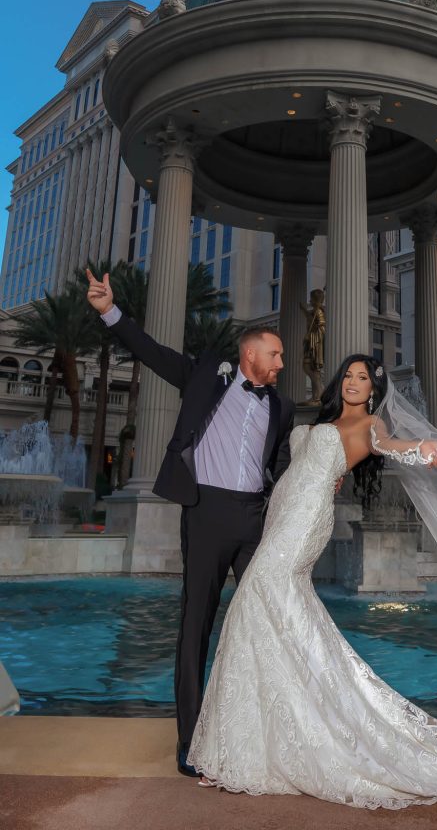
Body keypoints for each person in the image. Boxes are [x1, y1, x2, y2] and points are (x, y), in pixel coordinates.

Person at [188, 354, 437, 807]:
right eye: (348, 375)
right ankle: (250, 746)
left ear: (373, 390)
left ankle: (253, 748)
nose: (353, 382)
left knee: (257, 598)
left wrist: (424, 450)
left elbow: (394, 445)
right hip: (281, 517)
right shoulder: (320, 421)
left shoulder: (371, 427)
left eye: (362, 378)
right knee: (265, 611)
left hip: (303, 523)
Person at [84, 269, 294, 776]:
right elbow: (152, 353)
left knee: (269, 620)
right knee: (195, 625)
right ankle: (192, 739)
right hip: (205, 512)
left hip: (254, 518)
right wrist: (110, 310)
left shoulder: (282, 407)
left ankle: (272, 729)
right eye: (276, 354)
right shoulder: (207, 374)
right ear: (251, 355)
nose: (282, 362)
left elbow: (281, 463)